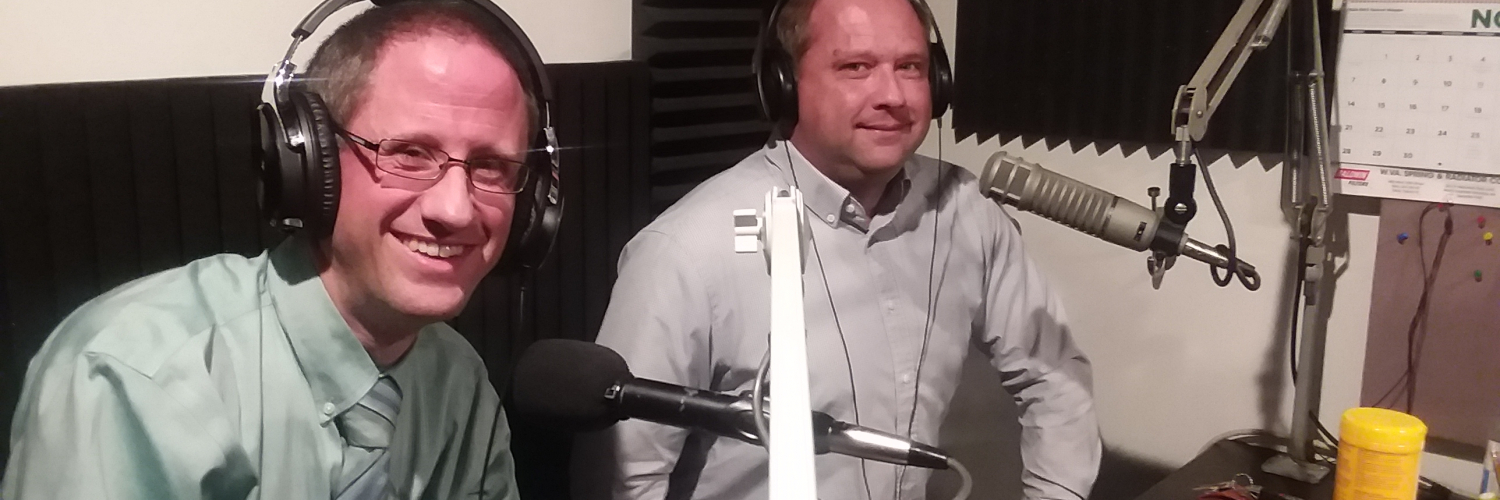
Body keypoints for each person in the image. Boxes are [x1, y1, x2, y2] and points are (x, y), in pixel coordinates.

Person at [0, 1, 555, 498]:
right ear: (309, 160)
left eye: (491, 166)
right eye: (408, 153)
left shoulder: (458, 382)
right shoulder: (133, 376)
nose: (455, 210)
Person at [581, 0, 1100, 499]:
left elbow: (1054, 376)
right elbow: (625, 476)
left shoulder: (966, 212)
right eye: (856, 67)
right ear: (783, 85)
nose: (892, 95)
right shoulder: (685, 252)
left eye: (910, 67)